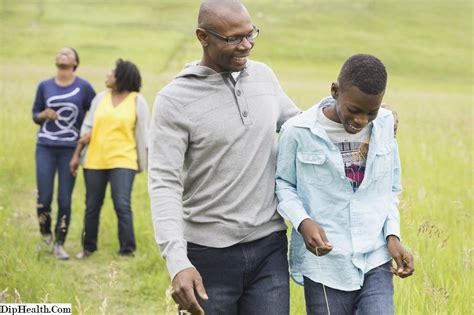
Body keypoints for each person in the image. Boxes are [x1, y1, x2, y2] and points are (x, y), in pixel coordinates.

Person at [148, 0, 300, 313]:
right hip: (206, 256)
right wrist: (178, 263)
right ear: (203, 36)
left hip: (269, 246)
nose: (246, 46)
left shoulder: (264, 77)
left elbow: (299, 125)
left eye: (250, 34)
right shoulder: (174, 100)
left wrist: (370, 113)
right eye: (234, 38)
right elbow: (164, 183)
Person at [275, 54, 414, 314]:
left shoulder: (385, 124)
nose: (361, 120)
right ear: (335, 91)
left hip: (376, 257)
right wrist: (303, 221)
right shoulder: (297, 131)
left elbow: (390, 189)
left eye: (371, 112)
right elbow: (283, 184)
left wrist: (392, 235)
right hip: (326, 264)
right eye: (354, 110)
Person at [70, 58, 149, 259]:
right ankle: (88, 248)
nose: (107, 75)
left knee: (122, 204)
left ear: (121, 77)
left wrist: (145, 162)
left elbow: (143, 135)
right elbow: (87, 126)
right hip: (95, 159)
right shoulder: (100, 98)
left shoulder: (137, 100)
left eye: (111, 72)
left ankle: (127, 250)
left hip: (124, 160)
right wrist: (77, 154)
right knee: (92, 205)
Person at [32, 47, 96, 260]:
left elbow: (96, 112)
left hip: (70, 150)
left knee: (64, 199)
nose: (62, 54)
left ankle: (60, 243)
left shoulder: (84, 87)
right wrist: (44, 114)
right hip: (45, 148)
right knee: (44, 196)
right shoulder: (45, 86)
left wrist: (88, 135)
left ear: (76, 62)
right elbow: (35, 115)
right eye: (59, 52)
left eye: (68, 53)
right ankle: (45, 237)